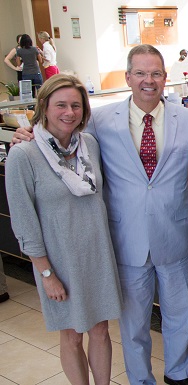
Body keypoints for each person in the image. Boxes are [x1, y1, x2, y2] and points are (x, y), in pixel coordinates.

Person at [12, 44, 188, 385]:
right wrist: (28, 132)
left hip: (174, 234)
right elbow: (60, 137)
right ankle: (140, 380)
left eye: (156, 73)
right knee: (133, 323)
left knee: (179, 315)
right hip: (124, 239)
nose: (149, 80)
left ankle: (178, 374)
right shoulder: (100, 122)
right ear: (128, 77)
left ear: (165, 77)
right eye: (141, 73)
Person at [5, 74, 122, 385]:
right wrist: (46, 274)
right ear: (44, 106)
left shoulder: (90, 145)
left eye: (76, 105)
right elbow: (24, 221)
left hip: (97, 253)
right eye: (60, 105)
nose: (69, 112)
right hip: (59, 261)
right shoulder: (24, 154)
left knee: (100, 329)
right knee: (71, 334)